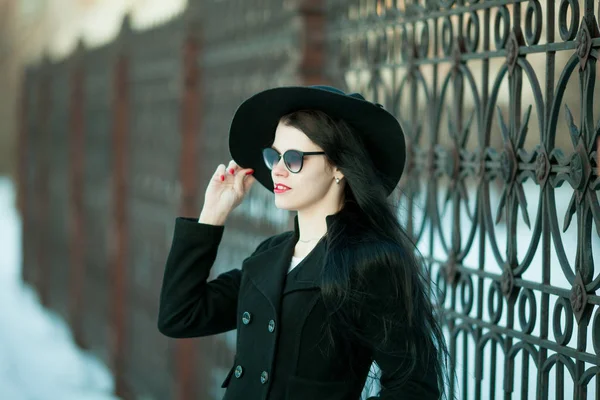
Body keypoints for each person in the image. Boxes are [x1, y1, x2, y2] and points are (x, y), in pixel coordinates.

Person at [157, 85, 451, 400]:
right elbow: (180, 316)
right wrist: (212, 215)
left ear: (338, 166)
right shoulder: (270, 255)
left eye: (294, 158)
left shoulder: (369, 261)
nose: (278, 170)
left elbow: (415, 387)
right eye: (274, 156)